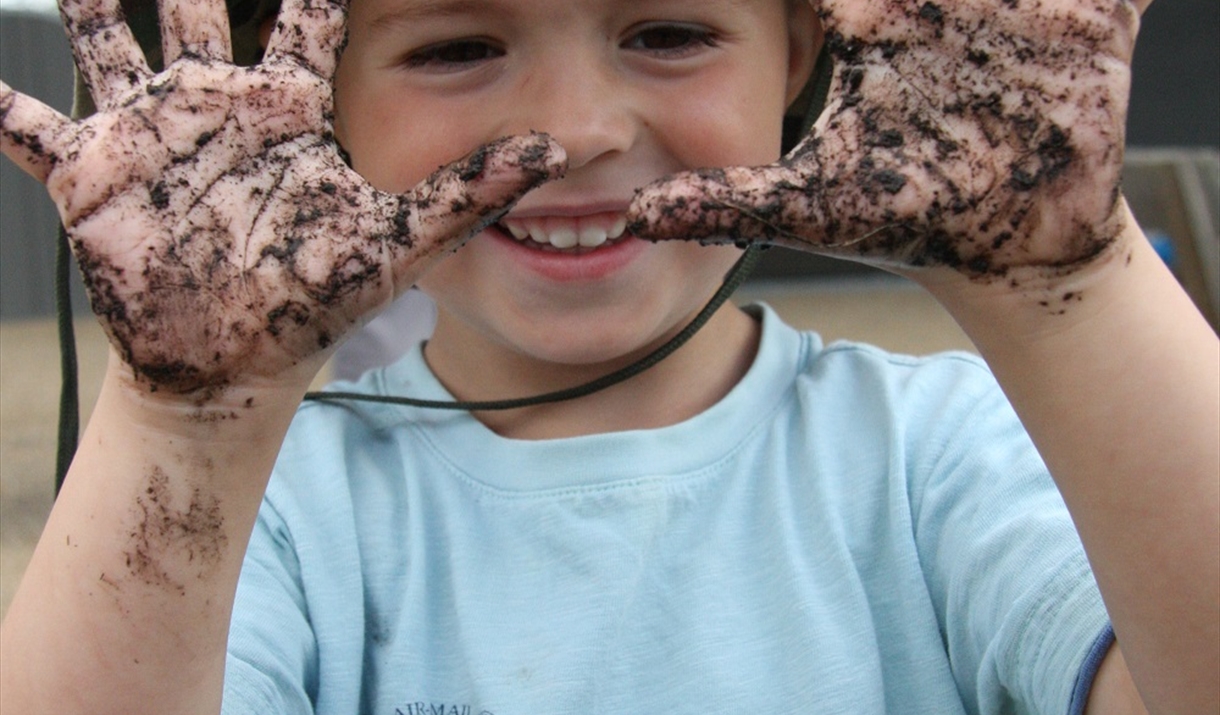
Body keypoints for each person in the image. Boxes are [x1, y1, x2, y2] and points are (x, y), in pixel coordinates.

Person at [0, 0, 1215, 713]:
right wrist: (188, 421)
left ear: (799, 51)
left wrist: (1068, 280)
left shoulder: (938, 455)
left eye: (669, 32)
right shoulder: (272, 515)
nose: (575, 131)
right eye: (454, 44)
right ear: (317, 97)